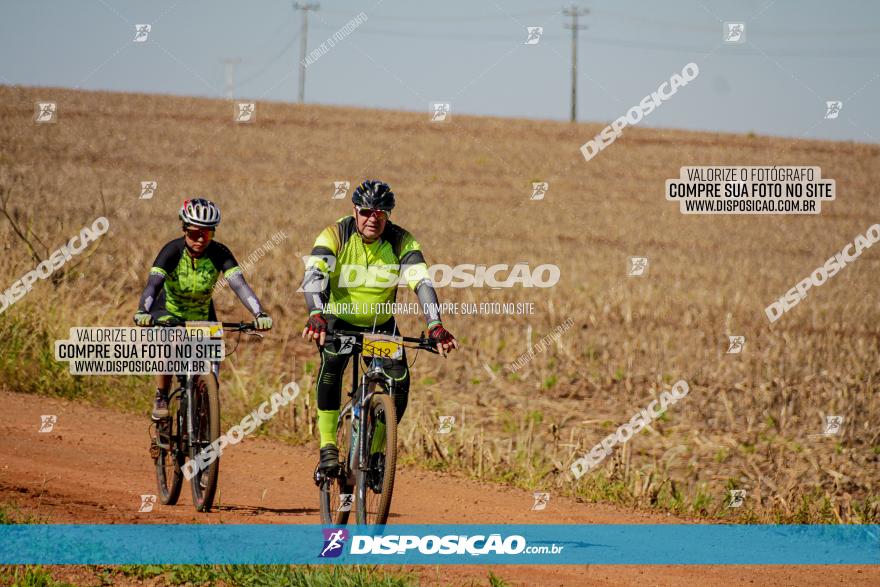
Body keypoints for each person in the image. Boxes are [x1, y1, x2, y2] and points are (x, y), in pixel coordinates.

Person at [301, 179, 458, 472]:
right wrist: (315, 313)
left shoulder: (401, 240)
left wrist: (435, 324)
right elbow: (314, 274)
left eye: (381, 213)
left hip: (380, 326)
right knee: (332, 364)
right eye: (366, 212)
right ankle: (327, 447)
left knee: (399, 383)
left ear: (388, 214)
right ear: (354, 210)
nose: (373, 219)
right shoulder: (336, 233)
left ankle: (374, 453)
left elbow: (421, 282)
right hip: (338, 320)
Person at [134, 198, 273, 419]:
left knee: (211, 371)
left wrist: (259, 313)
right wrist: (143, 311)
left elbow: (240, 285)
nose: (200, 239)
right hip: (169, 312)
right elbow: (153, 285)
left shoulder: (219, 253)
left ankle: (203, 416)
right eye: (194, 233)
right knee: (168, 344)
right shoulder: (172, 251)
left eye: (207, 234)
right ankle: (161, 394)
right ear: (184, 229)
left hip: (202, 316)